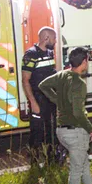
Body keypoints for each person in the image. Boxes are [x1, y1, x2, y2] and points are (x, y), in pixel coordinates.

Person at [38, 47, 92, 184]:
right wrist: (90, 128)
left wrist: (57, 100)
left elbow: (42, 85)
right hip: (76, 131)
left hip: (62, 131)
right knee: (75, 171)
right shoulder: (79, 83)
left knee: (82, 164)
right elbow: (78, 112)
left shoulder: (62, 75)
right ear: (84, 62)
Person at [21, 26, 58, 162]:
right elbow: (25, 80)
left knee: (51, 130)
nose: (55, 42)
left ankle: (51, 159)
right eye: (54, 38)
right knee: (37, 132)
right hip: (38, 98)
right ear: (46, 38)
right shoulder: (30, 55)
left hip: (50, 98)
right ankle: (35, 162)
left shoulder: (49, 52)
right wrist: (33, 102)